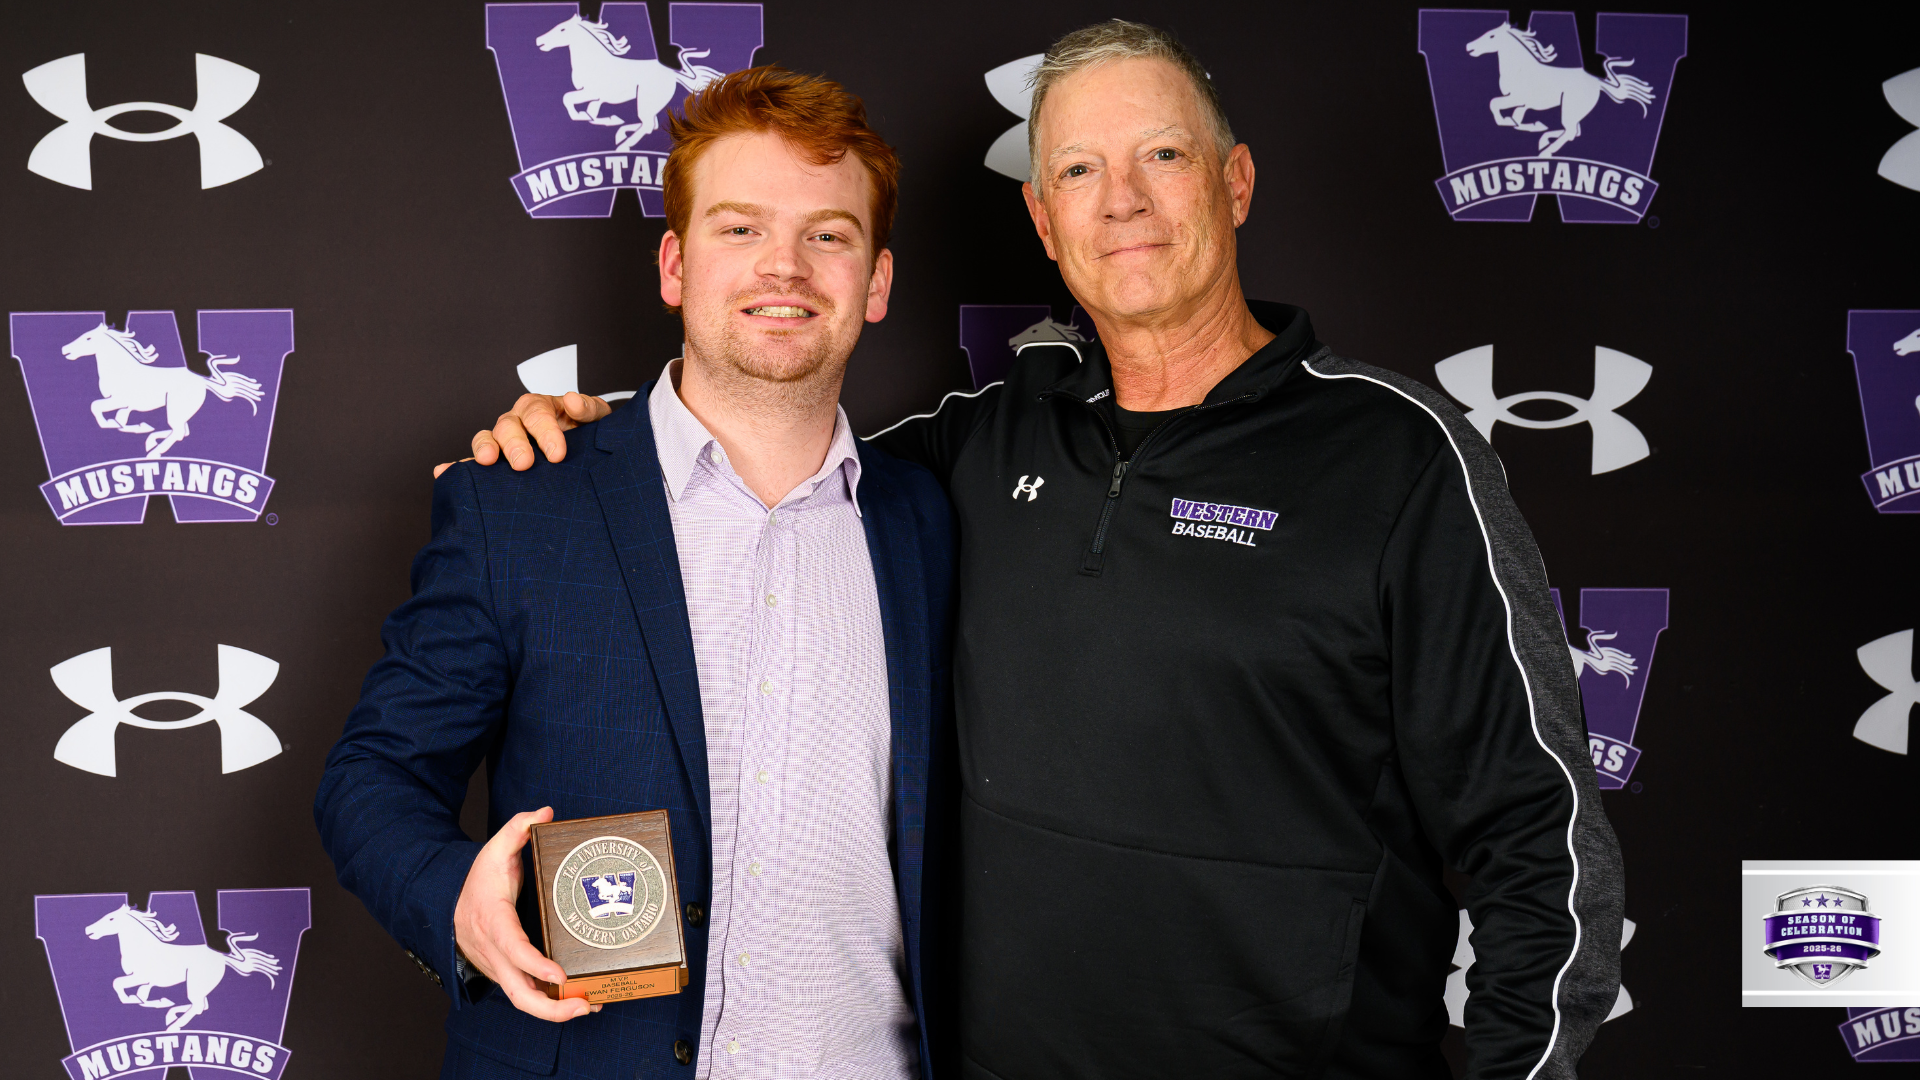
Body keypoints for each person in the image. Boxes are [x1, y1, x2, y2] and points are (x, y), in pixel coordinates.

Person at [461, 21, 1624, 1080]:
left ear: (1235, 182)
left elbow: (1542, 839)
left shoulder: (1396, 456)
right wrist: (588, 442)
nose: (1120, 200)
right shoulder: (970, 449)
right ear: (1044, 221)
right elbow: (765, 440)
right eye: (1076, 169)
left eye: (1162, 157)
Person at [316, 67, 956, 1080]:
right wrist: (457, 902)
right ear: (674, 265)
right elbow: (373, 778)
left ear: (876, 283)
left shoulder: (931, 520)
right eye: (739, 229)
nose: (782, 267)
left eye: (828, 235)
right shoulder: (519, 502)